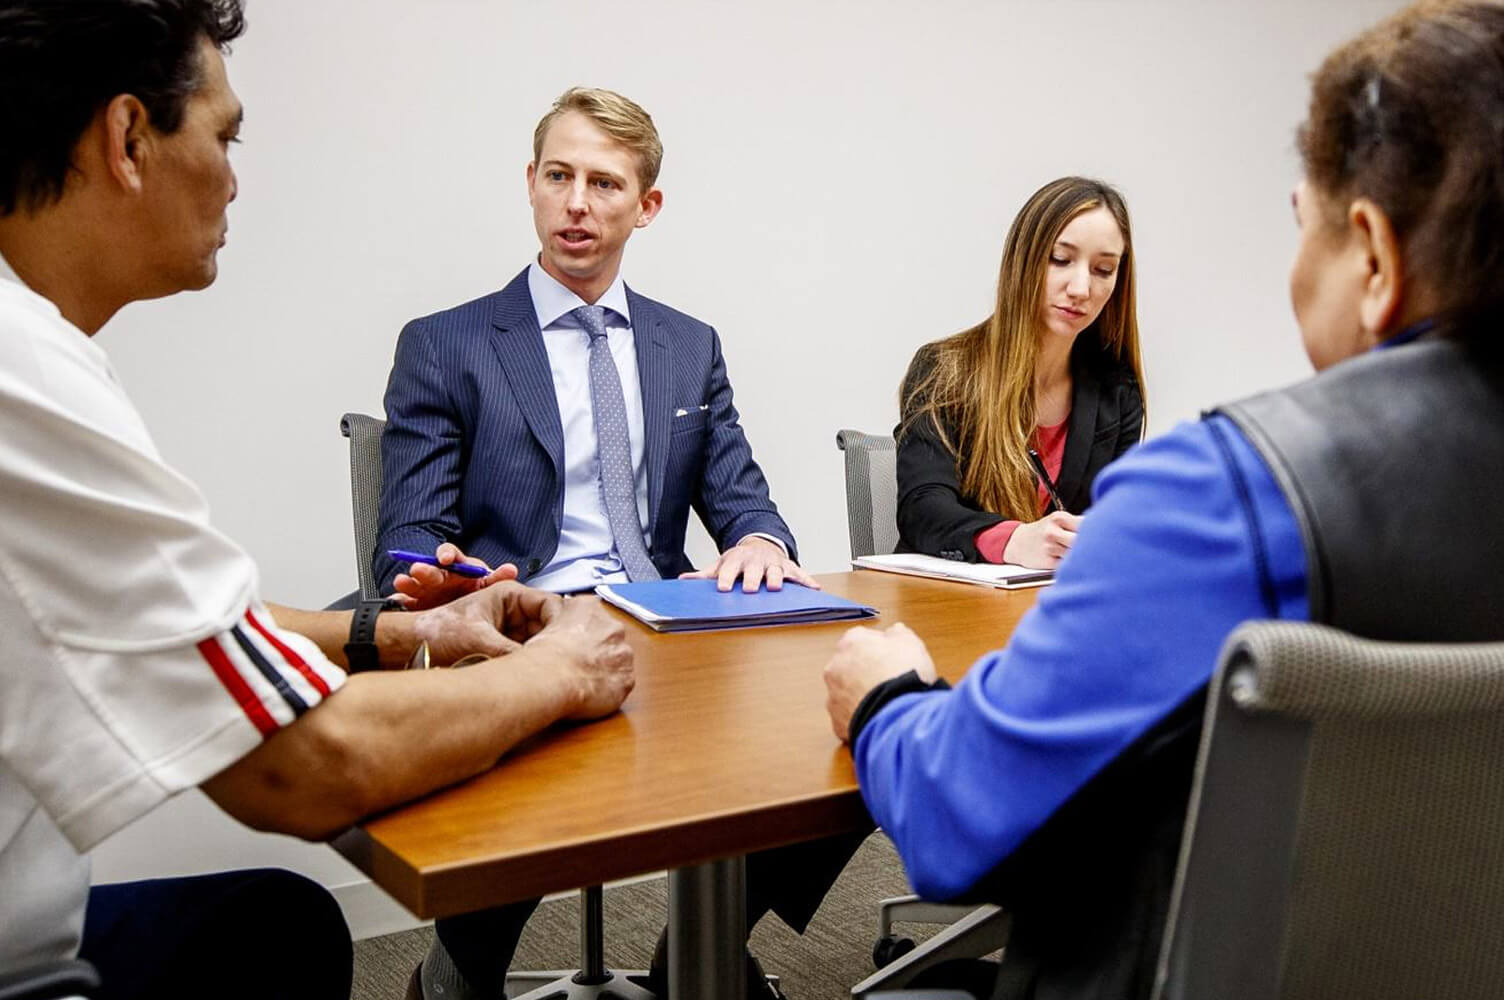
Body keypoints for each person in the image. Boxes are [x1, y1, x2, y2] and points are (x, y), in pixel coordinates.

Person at [823, 2, 1504, 997]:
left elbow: (953, 816)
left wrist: (883, 694)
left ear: (1370, 258)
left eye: (1300, 226)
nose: (1084, 284)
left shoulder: (1219, 494)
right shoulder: (952, 368)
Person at [0, 4, 635, 998]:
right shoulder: (22, 377)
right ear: (128, 139)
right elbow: (301, 766)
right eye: (225, 134)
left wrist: (397, 628)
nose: (235, 173)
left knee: (274, 925)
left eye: (606, 181)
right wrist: (558, 672)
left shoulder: (36, 350)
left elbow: (180, 626)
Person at [374, 87, 861, 1000]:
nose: (577, 202)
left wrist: (757, 538)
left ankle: (708, 943)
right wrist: (452, 586)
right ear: (530, 185)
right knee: (536, 734)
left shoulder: (688, 345)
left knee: (854, 711)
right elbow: (405, 545)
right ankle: (461, 969)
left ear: (647, 206)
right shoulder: (449, 344)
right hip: (527, 626)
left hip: (663, 619)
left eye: (604, 183)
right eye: (558, 176)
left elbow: (745, 501)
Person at [896, 176, 1145, 570]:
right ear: (1023, 260)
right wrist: (1013, 540)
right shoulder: (943, 370)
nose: (1081, 288)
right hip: (948, 608)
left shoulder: (1117, 391)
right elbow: (922, 508)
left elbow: (1116, 523)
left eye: (1103, 269)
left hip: (1057, 611)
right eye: (1060, 259)